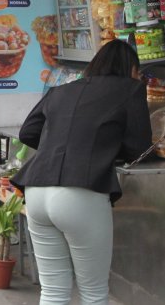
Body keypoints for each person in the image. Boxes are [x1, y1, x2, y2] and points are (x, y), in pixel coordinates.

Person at [11, 39, 151, 305]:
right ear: (131, 69)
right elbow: (139, 147)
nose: (138, 77)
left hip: (37, 191)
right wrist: (104, 150)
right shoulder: (131, 90)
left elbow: (27, 132)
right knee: (94, 293)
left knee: (53, 291)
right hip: (81, 192)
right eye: (138, 72)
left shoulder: (61, 91)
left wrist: (62, 144)